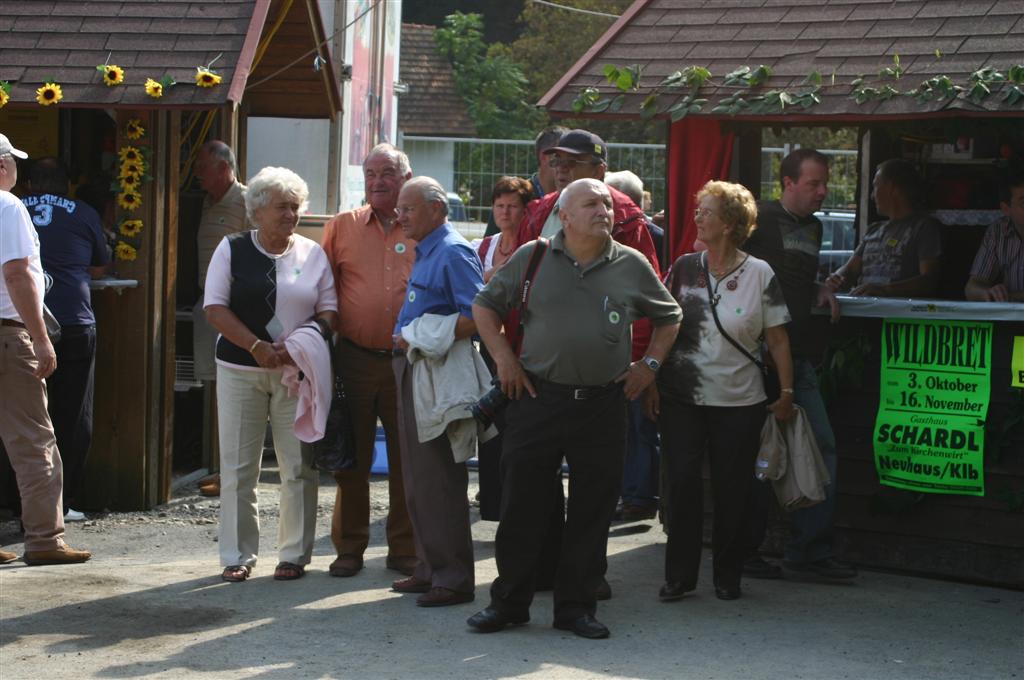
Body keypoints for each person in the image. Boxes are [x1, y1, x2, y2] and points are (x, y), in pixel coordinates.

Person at [467, 178, 681, 639]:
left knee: (593, 509)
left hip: (604, 403)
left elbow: (671, 316)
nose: (603, 209)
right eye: (590, 203)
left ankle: (576, 608)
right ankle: (509, 603)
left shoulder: (631, 263)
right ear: (564, 215)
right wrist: (504, 359)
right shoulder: (534, 256)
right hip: (536, 398)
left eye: (606, 203)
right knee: (522, 505)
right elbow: (484, 307)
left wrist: (649, 366)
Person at [652, 180, 794, 603]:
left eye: (706, 212)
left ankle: (728, 575)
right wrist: (652, 379)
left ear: (731, 223)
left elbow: (779, 340)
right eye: (698, 210)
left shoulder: (759, 274)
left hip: (739, 401)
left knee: (733, 490)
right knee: (682, 484)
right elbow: (663, 328)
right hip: (682, 398)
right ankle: (680, 576)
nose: (697, 218)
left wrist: (786, 391)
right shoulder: (682, 267)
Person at [204, 166, 337, 582]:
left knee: (298, 464)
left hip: (295, 374)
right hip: (240, 369)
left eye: (296, 207)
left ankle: (293, 555)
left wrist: (302, 343)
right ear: (257, 211)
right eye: (282, 207)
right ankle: (237, 555)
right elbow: (214, 308)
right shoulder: (232, 248)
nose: (291, 215)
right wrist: (256, 346)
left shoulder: (312, 254)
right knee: (239, 466)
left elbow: (330, 310)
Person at [742, 149, 857, 582]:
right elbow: (719, 262)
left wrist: (819, 288)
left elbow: (791, 277)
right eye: (813, 184)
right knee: (753, 455)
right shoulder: (758, 219)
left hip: (798, 358)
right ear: (787, 183)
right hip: (754, 359)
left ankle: (809, 551)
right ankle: (745, 551)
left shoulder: (814, 226)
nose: (823, 191)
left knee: (819, 447)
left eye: (824, 183)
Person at [320, 143, 417, 579]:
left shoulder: (424, 225)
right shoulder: (342, 227)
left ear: (406, 177)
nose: (378, 182)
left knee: (408, 458)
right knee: (352, 459)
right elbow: (322, 289)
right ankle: (350, 548)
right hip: (354, 359)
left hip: (408, 361)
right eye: (371, 174)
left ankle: (404, 548)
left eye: (388, 173)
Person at [389, 176, 484, 607]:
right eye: (400, 208)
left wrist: (426, 336)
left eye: (408, 209)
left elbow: (480, 316)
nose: (399, 215)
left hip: (436, 374)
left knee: (440, 478)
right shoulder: (429, 250)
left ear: (436, 210)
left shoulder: (453, 252)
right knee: (417, 477)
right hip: (415, 370)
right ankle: (429, 567)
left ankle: (454, 578)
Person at [0, 133, 91, 566]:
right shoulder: (7, 206)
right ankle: (43, 539)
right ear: (2, 168)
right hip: (6, 335)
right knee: (34, 441)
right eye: (15, 163)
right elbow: (18, 275)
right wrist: (39, 338)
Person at [22, 158, 110, 522]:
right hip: (73, 319)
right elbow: (100, 265)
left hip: (22, 321)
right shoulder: (84, 212)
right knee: (73, 415)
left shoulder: (10, 207)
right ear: (66, 185)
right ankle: (64, 502)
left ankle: (19, 500)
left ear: (28, 185)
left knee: (22, 415)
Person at [604, 169, 665, 523]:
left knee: (641, 424)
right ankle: (633, 493)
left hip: (639, 345)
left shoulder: (647, 238)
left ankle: (641, 495)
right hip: (626, 344)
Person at [471, 176, 533, 523]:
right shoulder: (484, 246)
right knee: (490, 428)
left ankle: (518, 505)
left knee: (520, 430)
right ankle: (493, 505)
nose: (505, 212)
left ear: (525, 211)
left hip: (526, 347)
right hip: (490, 346)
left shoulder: (533, 245)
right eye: (499, 205)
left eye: (512, 206)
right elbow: (473, 290)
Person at [192, 140, 249, 498]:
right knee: (214, 385)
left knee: (234, 390)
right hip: (208, 302)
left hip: (235, 307)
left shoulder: (245, 201)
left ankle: (231, 473)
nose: (197, 176)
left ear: (224, 169)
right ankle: (220, 468)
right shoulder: (206, 201)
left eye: (203, 169)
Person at [826, 159, 941, 297]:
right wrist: (836, 278)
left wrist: (886, 289)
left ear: (892, 187)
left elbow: (929, 280)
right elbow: (850, 270)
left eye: (875, 186)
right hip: (865, 312)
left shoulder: (924, 227)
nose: (872, 196)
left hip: (898, 315)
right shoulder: (873, 229)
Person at [483, 127, 567, 238]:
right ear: (544, 157)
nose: (566, 163)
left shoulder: (571, 198)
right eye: (561, 156)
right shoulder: (513, 196)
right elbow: (491, 247)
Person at [965, 166, 1024, 302]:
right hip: (1011, 319)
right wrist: (986, 292)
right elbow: (972, 287)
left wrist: (1007, 297)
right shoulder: (999, 232)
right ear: (1006, 209)